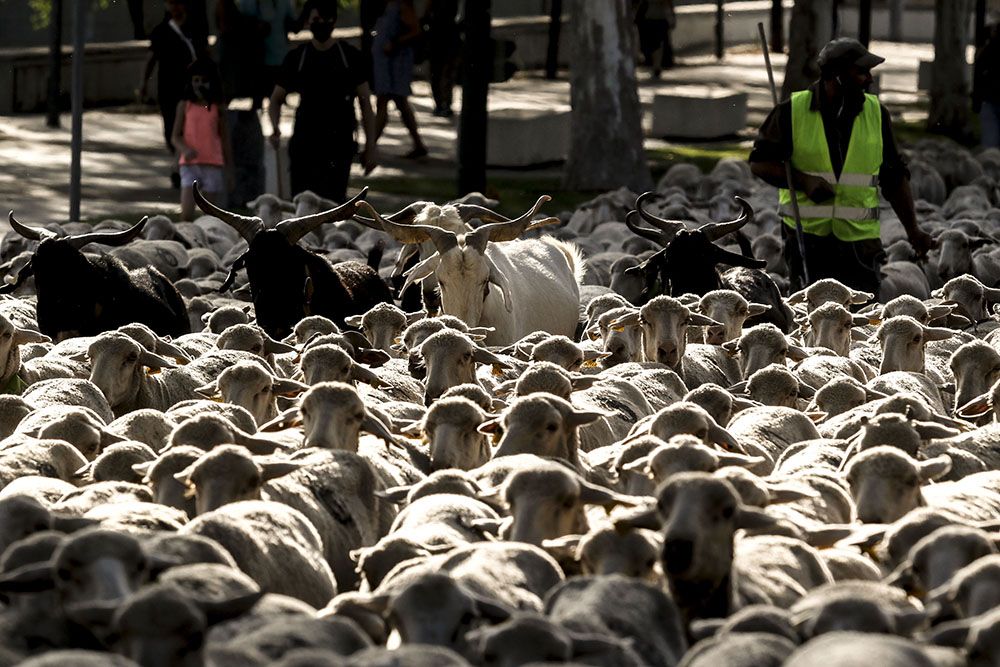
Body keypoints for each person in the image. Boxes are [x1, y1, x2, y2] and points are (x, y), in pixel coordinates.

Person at [749, 38, 935, 297]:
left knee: (865, 319)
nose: (869, 79)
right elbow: (759, 162)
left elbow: (894, 176)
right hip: (808, 244)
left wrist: (913, 230)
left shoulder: (876, 114)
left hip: (859, 246)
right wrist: (803, 181)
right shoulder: (792, 112)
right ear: (836, 76)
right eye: (861, 72)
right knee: (812, 322)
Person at [268, 0, 378, 202]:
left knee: (333, 207)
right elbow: (275, 100)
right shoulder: (297, 58)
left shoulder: (350, 57)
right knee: (301, 207)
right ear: (308, 23)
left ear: (334, 21)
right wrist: (275, 127)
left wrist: (370, 147)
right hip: (304, 145)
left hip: (339, 145)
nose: (321, 24)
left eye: (326, 19)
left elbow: (366, 105)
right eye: (316, 20)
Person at [141, 0, 207, 189]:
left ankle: (180, 169)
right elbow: (151, 59)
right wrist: (144, 83)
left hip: (191, 90)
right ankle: (179, 163)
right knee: (171, 130)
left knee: (188, 129)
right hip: (168, 90)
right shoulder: (161, 31)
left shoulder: (194, 28)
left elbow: (204, 55)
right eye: (172, 3)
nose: (176, 7)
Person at [171, 59, 233, 221]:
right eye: (196, 80)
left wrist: (229, 169)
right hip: (190, 164)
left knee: (210, 216)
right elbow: (175, 136)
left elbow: (225, 139)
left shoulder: (217, 108)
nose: (199, 85)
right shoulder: (185, 105)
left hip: (212, 164)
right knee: (186, 214)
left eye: (204, 81)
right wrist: (184, 149)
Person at [371, 0, 429, 159]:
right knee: (398, 102)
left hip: (396, 62)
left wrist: (394, 43)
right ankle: (418, 144)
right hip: (386, 62)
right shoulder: (388, 6)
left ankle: (371, 145)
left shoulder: (402, 6)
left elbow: (415, 30)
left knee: (386, 100)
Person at [238, 0, 301, 109]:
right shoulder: (247, 3)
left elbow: (293, 25)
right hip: (258, 59)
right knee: (259, 100)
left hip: (278, 57)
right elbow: (238, 25)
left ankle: (273, 123)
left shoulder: (284, 2)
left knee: (277, 99)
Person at [423, 0, 460, 117]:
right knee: (444, 73)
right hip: (445, 36)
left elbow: (426, 14)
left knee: (438, 73)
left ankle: (442, 103)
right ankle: (444, 103)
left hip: (438, 36)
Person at [974, 18, 1000, 149]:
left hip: (989, 99)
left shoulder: (988, 50)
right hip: (990, 99)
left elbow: (979, 75)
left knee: (991, 145)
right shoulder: (988, 51)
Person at [635, 0, 675, 79]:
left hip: (653, 19)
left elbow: (667, 4)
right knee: (655, 44)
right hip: (652, 19)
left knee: (656, 44)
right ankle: (656, 66)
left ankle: (656, 66)